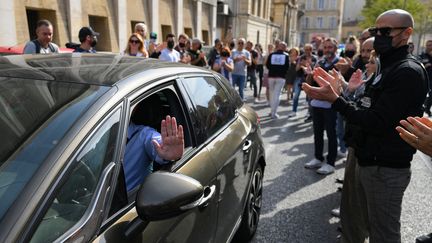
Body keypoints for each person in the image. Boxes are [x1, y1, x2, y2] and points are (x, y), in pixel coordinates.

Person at [303, 9, 428, 243]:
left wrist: (337, 101)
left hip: (386, 167)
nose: (378, 36)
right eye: (375, 30)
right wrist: (343, 92)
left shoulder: (407, 71)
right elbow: (365, 107)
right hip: (363, 156)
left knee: (383, 233)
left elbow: (378, 121)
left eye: (385, 31)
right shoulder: (384, 66)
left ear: (407, 33)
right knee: (352, 225)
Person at [304, 37, 340, 175]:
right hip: (317, 104)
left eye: (330, 47)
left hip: (332, 104)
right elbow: (311, 82)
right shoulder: (320, 62)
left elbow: (340, 85)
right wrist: (309, 75)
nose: (327, 50)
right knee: (317, 132)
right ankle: (318, 158)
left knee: (331, 134)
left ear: (335, 49)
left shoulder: (340, 63)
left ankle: (330, 163)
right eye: (325, 47)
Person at [124, 110, 184, 192]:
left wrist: (168, 154)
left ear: (135, 109)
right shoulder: (103, 132)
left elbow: (156, 141)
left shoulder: (144, 135)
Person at [289, 44, 317, 118]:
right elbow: (296, 69)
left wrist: (310, 65)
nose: (307, 51)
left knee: (309, 96)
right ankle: (294, 111)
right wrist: (302, 64)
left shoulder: (314, 58)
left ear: (311, 50)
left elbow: (316, 69)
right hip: (300, 78)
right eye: (306, 49)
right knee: (296, 96)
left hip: (310, 79)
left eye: (309, 49)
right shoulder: (301, 58)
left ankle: (309, 112)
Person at [266, 41, 290, 119]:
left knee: (272, 94)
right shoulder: (286, 56)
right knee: (277, 95)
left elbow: (267, 65)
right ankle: (274, 112)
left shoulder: (272, 54)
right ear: (285, 48)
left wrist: (273, 69)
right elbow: (287, 67)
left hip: (271, 76)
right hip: (281, 77)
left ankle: (272, 111)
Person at [419, 39, 432, 116]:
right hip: (425, 80)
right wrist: (425, 66)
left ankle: (427, 109)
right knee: (426, 96)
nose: (429, 47)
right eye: (428, 45)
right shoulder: (422, 56)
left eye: (431, 45)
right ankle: (424, 109)